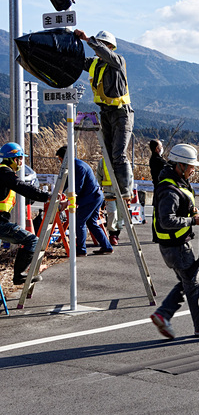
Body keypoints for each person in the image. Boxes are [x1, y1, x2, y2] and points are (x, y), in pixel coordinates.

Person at [150, 143, 199, 339]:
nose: (193, 170)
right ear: (180, 166)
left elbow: (180, 210)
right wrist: (193, 220)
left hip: (173, 246)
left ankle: (163, 314)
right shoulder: (169, 189)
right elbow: (167, 220)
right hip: (177, 247)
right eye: (191, 166)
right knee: (194, 283)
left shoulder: (176, 184)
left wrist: (195, 214)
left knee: (188, 282)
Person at [74, 29, 135, 199]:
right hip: (106, 113)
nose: (97, 49)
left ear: (110, 47)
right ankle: (113, 188)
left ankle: (125, 189)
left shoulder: (117, 61)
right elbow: (77, 61)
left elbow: (103, 53)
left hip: (122, 113)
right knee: (108, 153)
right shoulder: (95, 64)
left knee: (118, 153)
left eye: (102, 45)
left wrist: (88, 39)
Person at [0, 143, 52, 284]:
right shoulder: (4, 172)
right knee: (32, 240)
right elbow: (21, 186)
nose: (22, 162)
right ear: (14, 159)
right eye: (21, 158)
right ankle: (20, 275)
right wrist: (46, 196)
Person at [56, 146, 113, 256]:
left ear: (66, 158)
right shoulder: (75, 165)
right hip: (94, 196)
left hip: (90, 198)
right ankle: (107, 247)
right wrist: (59, 192)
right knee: (91, 223)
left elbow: (77, 188)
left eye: (61, 160)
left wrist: (67, 201)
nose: (60, 162)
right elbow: (67, 182)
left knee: (80, 222)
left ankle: (81, 250)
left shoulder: (78, 167)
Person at [97, 158, 121, 245]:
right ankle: (112, 234)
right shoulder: (102, 162)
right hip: (108, 192)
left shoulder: (121, 159)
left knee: (120, 215)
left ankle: (117, 233)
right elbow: (99, 177)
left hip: (120, 192)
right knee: (112, 213)